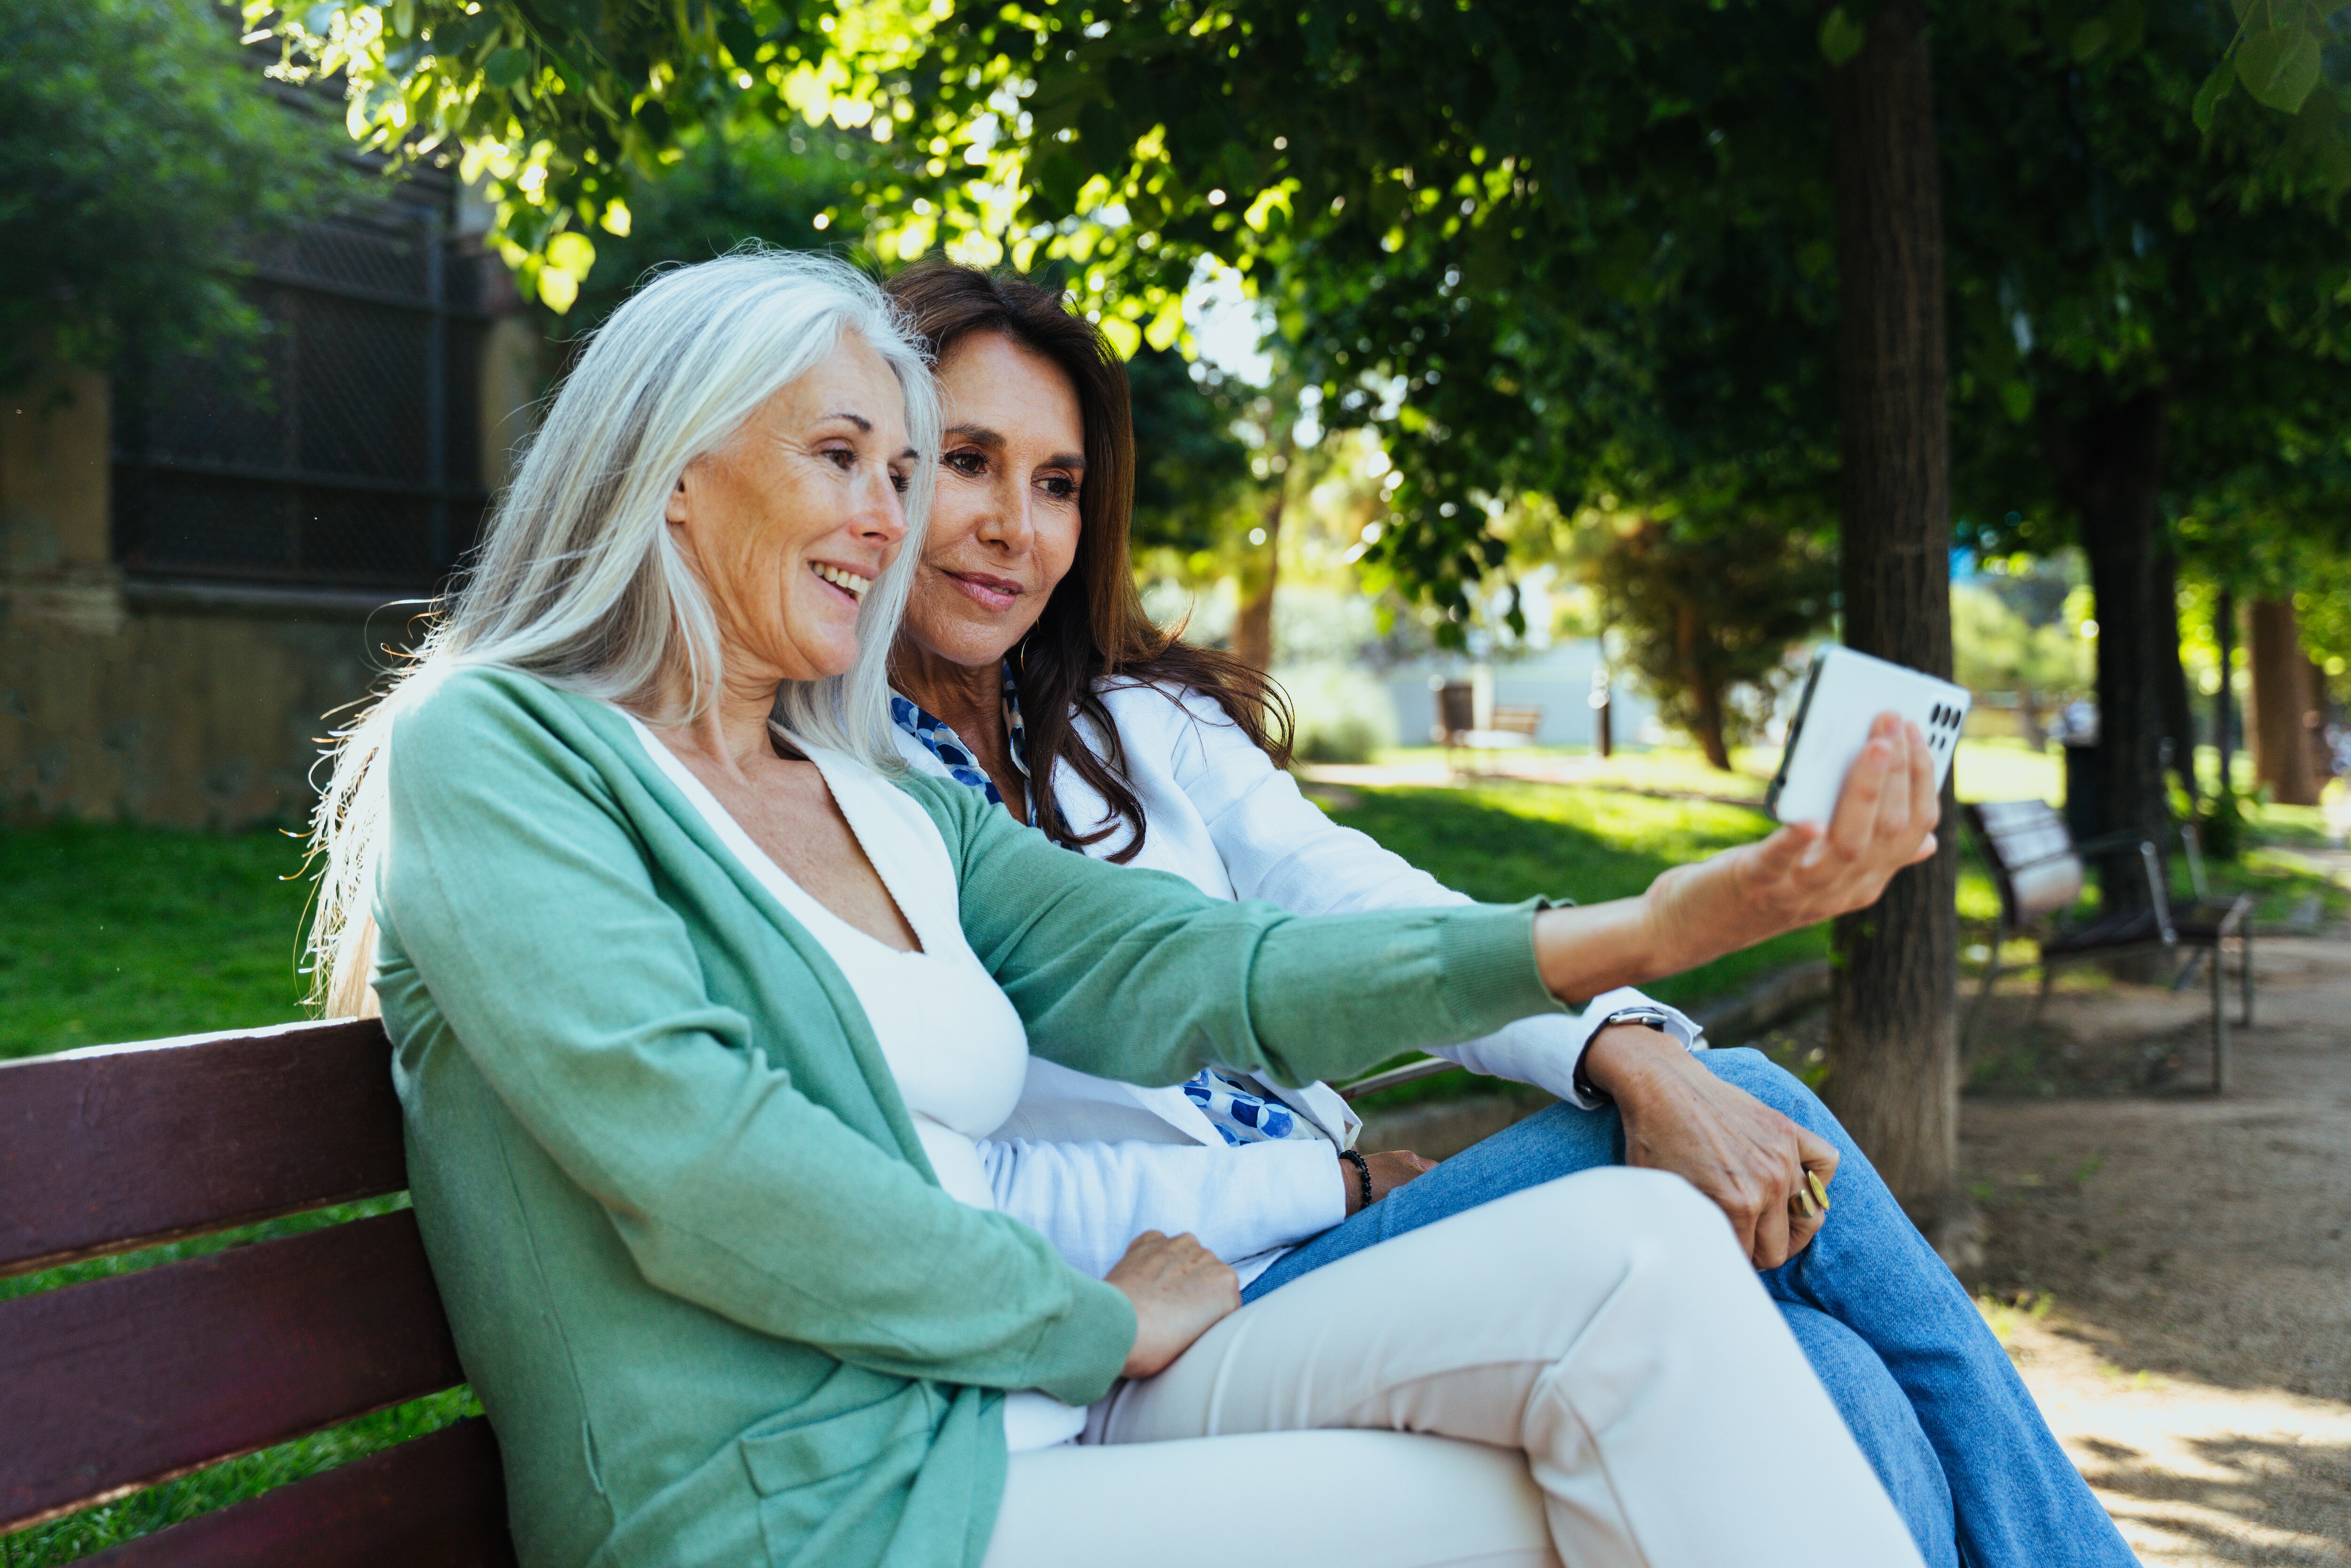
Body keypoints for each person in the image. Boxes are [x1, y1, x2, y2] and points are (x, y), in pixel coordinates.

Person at [307, 250, 1939, 1568]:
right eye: (841, 462)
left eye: (897, 468)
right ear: (672, 476)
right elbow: (711, 1168)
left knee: (1639, 1265)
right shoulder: (506, 750)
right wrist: (1084, 1320)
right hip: (819, 1512)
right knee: (1566, 1500)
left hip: (1035, 1419)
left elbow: (1203, 970)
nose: (887, 521)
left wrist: (1651, 930)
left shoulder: (871, 786)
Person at [879, 260, 2142, 1568]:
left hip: (1346, 1243)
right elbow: (973, 1194)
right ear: (879, 473)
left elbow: (1370, 907)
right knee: (1774, 1100)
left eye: (1059, 483)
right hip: (1179, 1309)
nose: (1014, 527)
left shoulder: (1139, 722)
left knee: (1833, 1364)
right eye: (969, 461)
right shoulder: (849, 800)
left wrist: (1624, 1048)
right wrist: (1335, 1177)